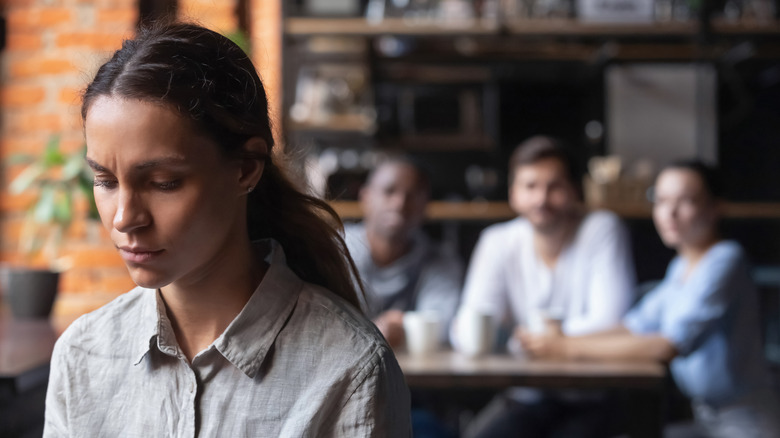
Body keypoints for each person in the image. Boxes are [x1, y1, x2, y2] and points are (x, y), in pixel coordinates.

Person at [43, 23, 410, 437]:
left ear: (246, 169)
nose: (124, 218)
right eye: (105, 181)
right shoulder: (82, 355)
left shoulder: (349, 370)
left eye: (164, 183)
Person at [521, 160, 780, 438]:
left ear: (716, 207)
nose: (670, 213)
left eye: (686, 201)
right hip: (705, 417)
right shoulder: (681, 267)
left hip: (746, 422)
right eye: (662, 201)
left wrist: (566, 348)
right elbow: (634, 325)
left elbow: (667, 345)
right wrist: (559, 338)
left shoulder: (725, 260)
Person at [453, 136, 636, 438]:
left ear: (575, 190)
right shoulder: (497, 241)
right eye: (530, 186)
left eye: (554, 186)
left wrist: (531, 340)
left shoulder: (602, 228)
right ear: (513, 194)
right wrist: (474, 331)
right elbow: (471, 323)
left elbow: (612, 320)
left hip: (593, 395)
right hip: (526, 394)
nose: (541, 199)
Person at [344, 157, 463, 348]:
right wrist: (380, 330)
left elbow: (443, 325)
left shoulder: (441, 260)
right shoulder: (334, 251)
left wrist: (401, 328)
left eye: (413, 195)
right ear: (365, 197)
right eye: (389, 191)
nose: (400, 203)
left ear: (426, 205)